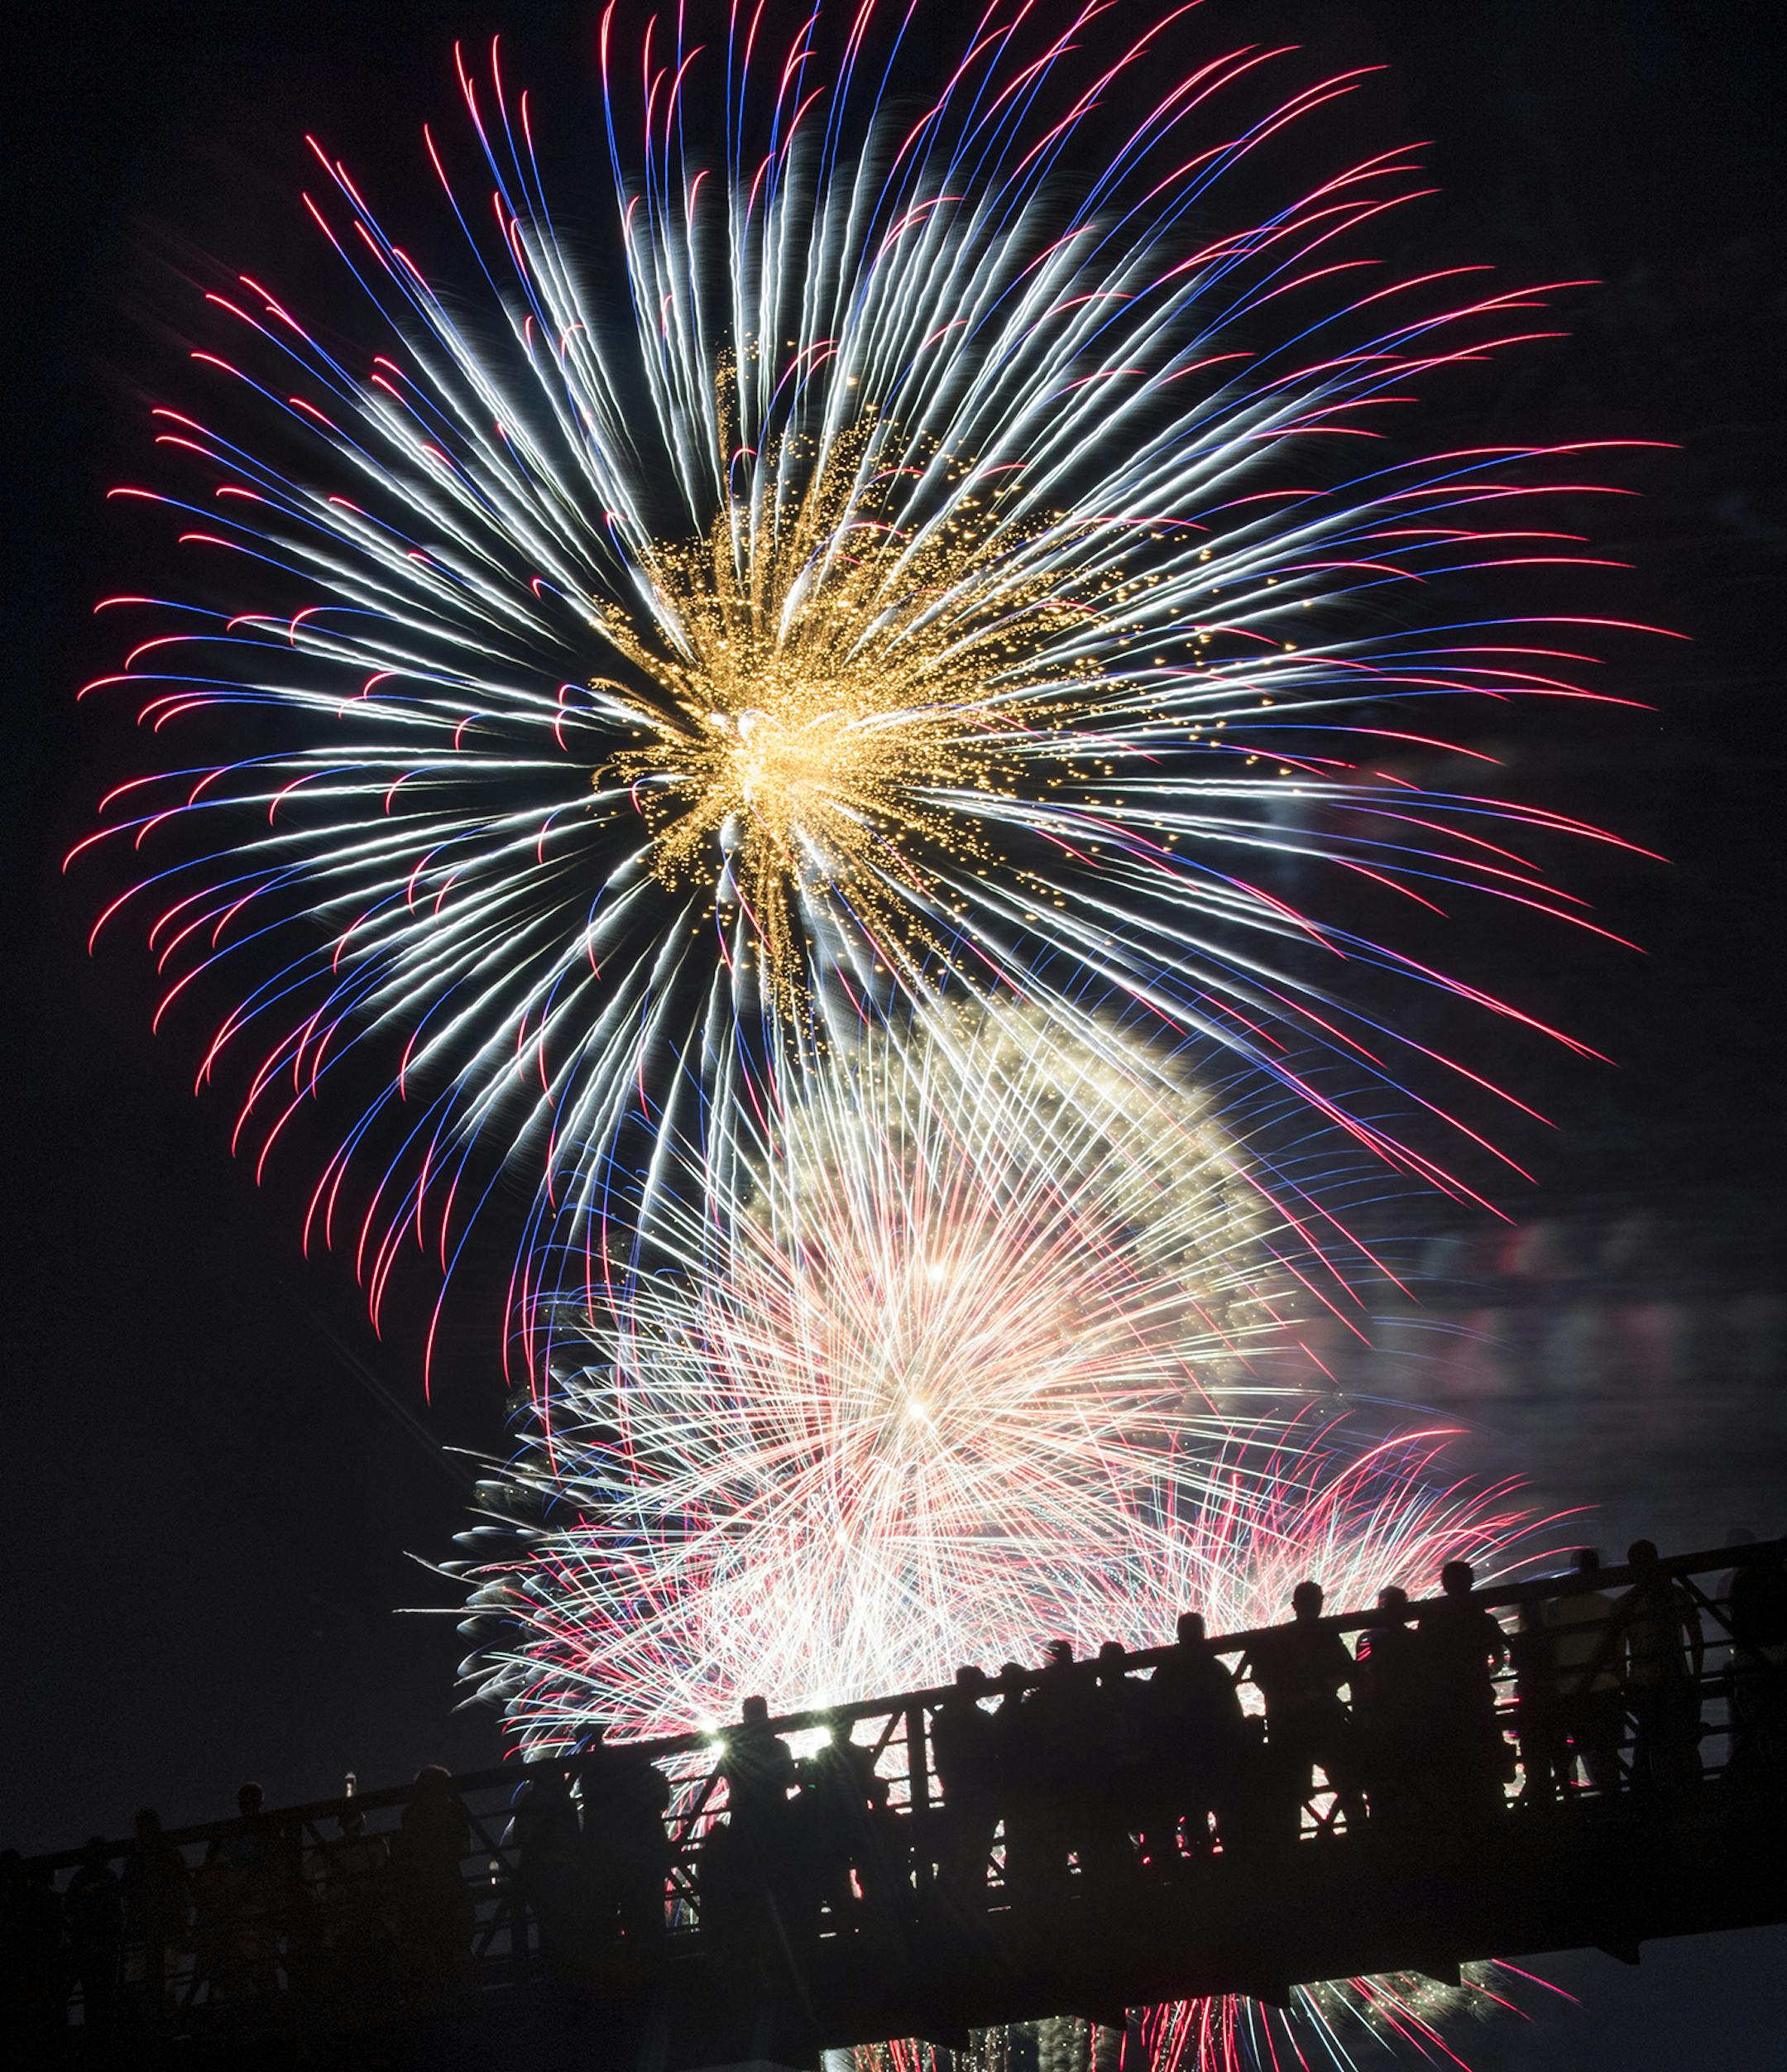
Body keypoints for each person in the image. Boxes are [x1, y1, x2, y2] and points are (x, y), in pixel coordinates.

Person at [1238, 1582, 1363, 1841]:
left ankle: (1293, 1848)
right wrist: (1316, 1694)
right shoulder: (1326, 1635)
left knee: (1291, 1791)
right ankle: (1360, 1835)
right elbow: (1346, 1670)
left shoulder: (1274, 1639)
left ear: (1294, 1606)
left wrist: (1286, 1698)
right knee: (1346, 1779)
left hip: (1289, 1725)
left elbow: (1259, 1675)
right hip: (1323, 1719)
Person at [1140, 1613, 1244, 1863]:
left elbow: (1155, 1714)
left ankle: (1198, 1859)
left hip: (1182, 1753)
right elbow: (1232, 1710)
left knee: (1193, 1811)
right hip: (1215, 1750)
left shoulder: (1166, 1671)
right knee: (1222, 1808)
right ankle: (1232, 1859)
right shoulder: (1215, 1668)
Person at [1416, 1561, 1511, 1820]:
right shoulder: (1482, 1617)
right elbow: (1501, 1656)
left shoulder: (1432, 1618)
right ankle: (1494, 1816)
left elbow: (1421, 1658)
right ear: (1470, 1583)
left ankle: (1457, 1820)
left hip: (1444, 1703)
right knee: (1486, 1762)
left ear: (1444, 1584)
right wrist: (1487, 1673)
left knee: (1453, 1766)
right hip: (1478, 1697)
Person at [1616, 1540, 1705, 1786]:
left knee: (1648, 1743)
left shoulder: (1625, 1603)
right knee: (1682, 1744)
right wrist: (1696, 1677)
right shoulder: (1678, 1595)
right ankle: (1690, 1791)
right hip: (1677, 1676)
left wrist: (1625, 1685)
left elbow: (1618, 1652)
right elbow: (1697, 1639)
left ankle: (1648, 1795)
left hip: (1643, 1682)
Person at [579, 1728, 672, 1954]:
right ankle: (653, 1969)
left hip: (606, 1857)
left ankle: (610, 1973)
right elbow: (663, 1799)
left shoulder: (594, 1774)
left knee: (604, 1921)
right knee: (647, 1919)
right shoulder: (643, 1772)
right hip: (644, 1854)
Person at [1543, 1550, 1622, 1796]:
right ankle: (1615, 1809)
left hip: (1567, 1693)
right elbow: (1619, 1653)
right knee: (1607, 1760)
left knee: (1566, 1761)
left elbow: (1550, 1653)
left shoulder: (1556, 1609)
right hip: (1605, 1691)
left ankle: (1571, 1808)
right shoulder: (1610, 1606)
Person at [391, 1765, 474, 1992]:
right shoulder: (452, 1812)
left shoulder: (410, 1814)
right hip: (449, 1883)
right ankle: (459, 1985)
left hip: (419, 1888)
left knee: (425, 1945)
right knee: (456, 1939)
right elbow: (466, 1849)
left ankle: (427, 1989)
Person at [1351, 1588, 1424, 1826]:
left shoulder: (1368, 1639)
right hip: (1412, 1716)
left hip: (1378, 1716)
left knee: (1381, 1782)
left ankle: (1381, 1831)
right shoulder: (1415, 1640)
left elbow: (1361, 1675)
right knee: (1413, 1777)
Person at [930, 1665, 1001, 1902]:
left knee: (957, 1852)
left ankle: (949, 1907)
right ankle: (969, 1903)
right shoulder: (980, 1719)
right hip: (980, 1795)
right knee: (976, 1851)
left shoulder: (942, 1719)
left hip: (956, 1792)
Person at [511, 1764, 587, 1982]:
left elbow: (519, 1837)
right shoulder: (566, 1803)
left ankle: (547, 1973)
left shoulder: (530, 1802)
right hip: (565, 1871)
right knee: (566, 1923)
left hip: (536, 1871)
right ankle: (568, 1974)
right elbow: (575, 1838)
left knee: (546, 1924)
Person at [1726, 1536, 1787, 1771]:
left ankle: (1758, 1766)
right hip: (1775, 1657)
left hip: (1754, 1661)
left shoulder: (1741, 1581)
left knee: (1757, 1722)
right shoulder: (1778, 1577)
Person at [122, 1807, 189, 2022]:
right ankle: (163, 2021)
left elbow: (128, 1893)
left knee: (146, 1980)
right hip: (155, 1927)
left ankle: (152, 2021)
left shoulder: (135, 1857)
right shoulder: (168, 1854)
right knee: (160, 1980)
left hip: (150, 1927)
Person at [65, 1838, 124, 2034]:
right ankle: (103, 2032)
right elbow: (115, 1910)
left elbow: (70, 1906)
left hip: (89, 1943)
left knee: (93, 1992)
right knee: (102, 1991)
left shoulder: (82, 1878)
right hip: (99, 1943)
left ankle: (96, 2033)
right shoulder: (108, 1878)